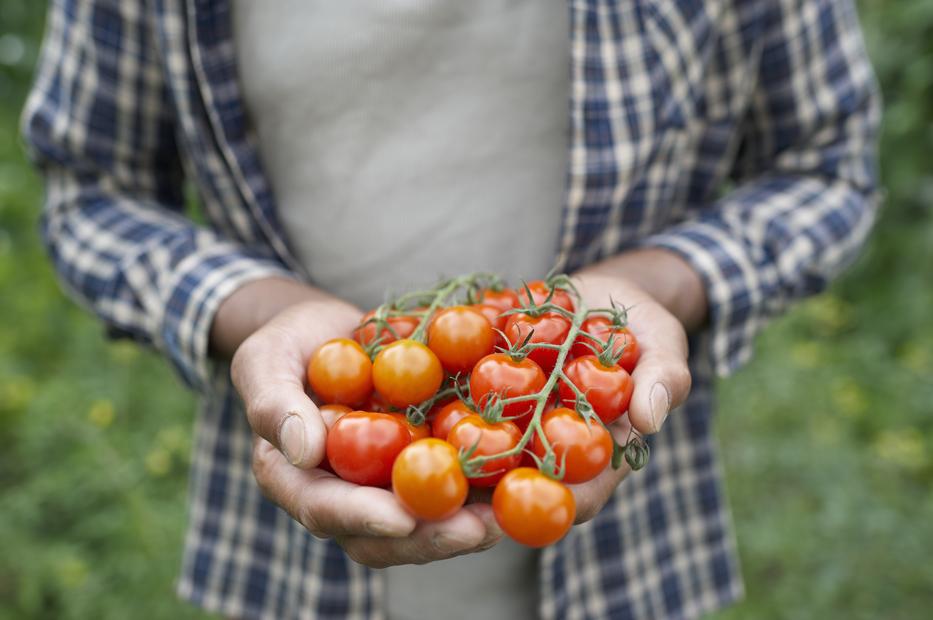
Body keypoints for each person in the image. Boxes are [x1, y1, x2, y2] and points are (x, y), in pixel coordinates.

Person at [22, 0, 880, 618]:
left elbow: (827, 161)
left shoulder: (539, 383)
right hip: (285, 550)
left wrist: (660, 282)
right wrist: (257, 310)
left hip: (629, 556)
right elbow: (91, 189)